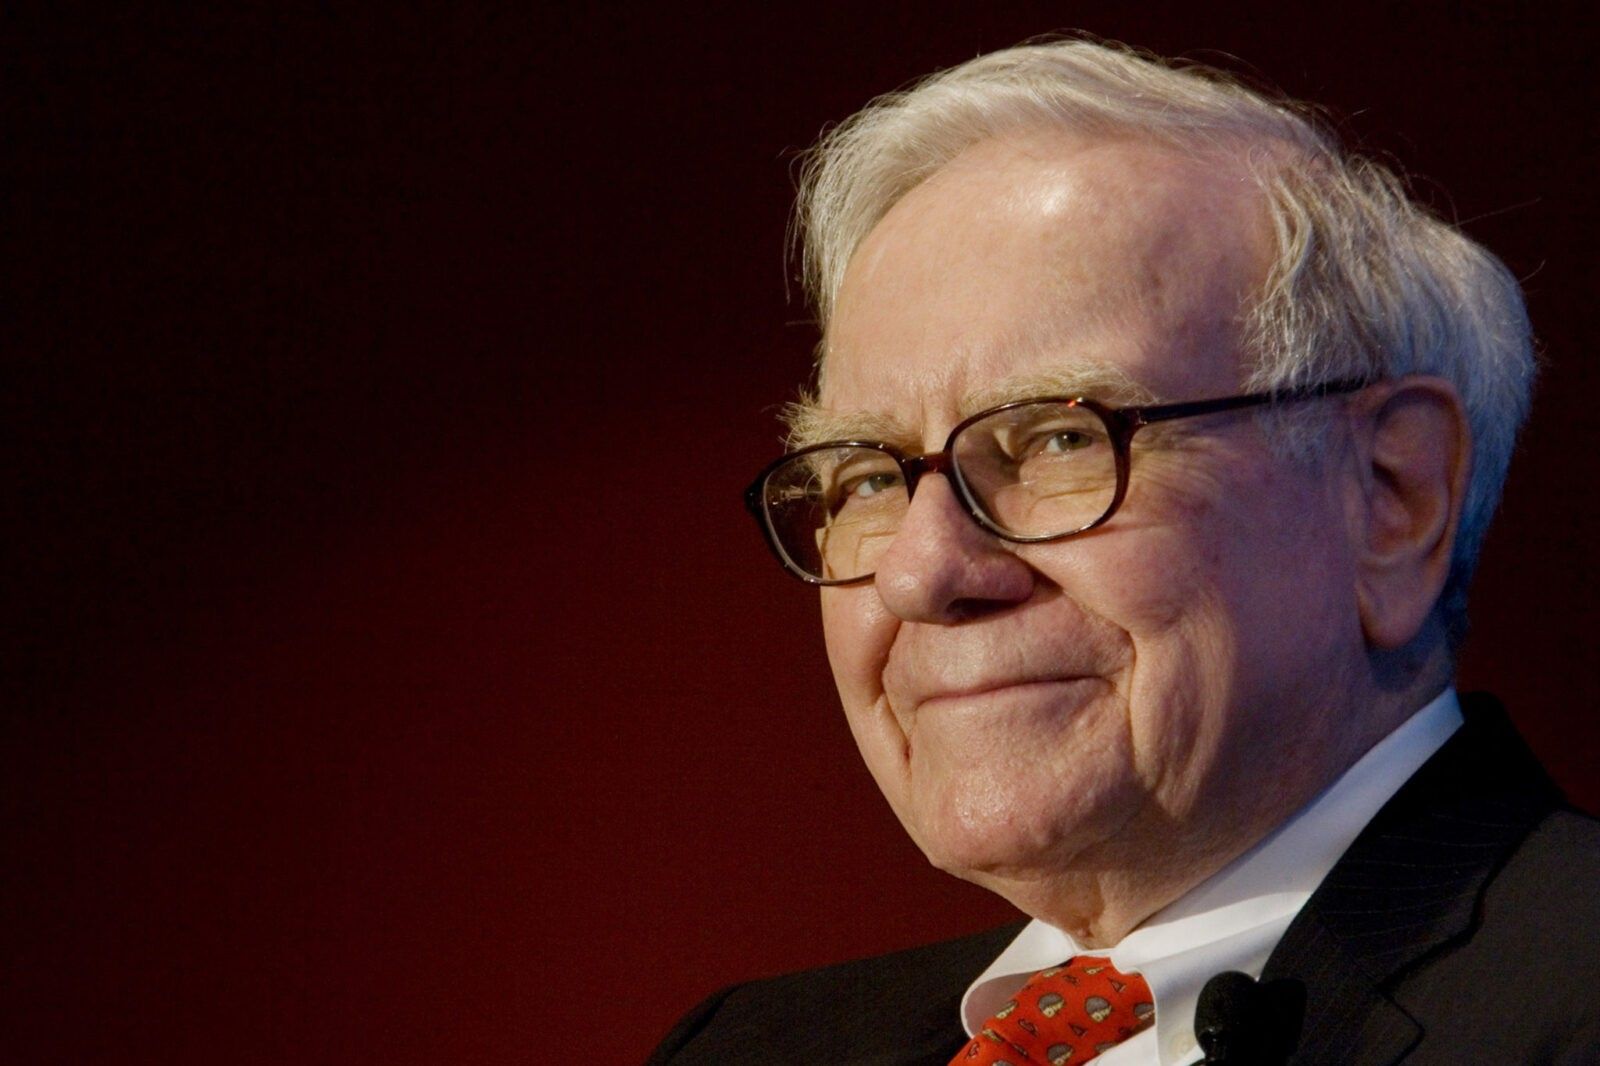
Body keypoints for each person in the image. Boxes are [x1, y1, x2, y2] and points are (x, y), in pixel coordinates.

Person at [650, 38, 1600, 1065]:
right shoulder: (746, 1049)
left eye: (1057, 439)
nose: (920, 574)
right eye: (869, 477)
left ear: (1389, 498)